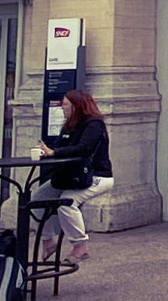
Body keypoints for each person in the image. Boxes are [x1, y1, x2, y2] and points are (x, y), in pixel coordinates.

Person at [33, 88, 113, 264]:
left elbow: (84, 148)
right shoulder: (69, 125)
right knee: (37, 198)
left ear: (76, 106)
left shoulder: (94, 124)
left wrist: (54, 152)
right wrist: (47, 151)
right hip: (71, 176)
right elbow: (60, 146)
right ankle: (48, 241)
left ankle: (80, 246)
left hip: (95, 175)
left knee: (67, 203)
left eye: (65, 104)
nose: (62, 108)